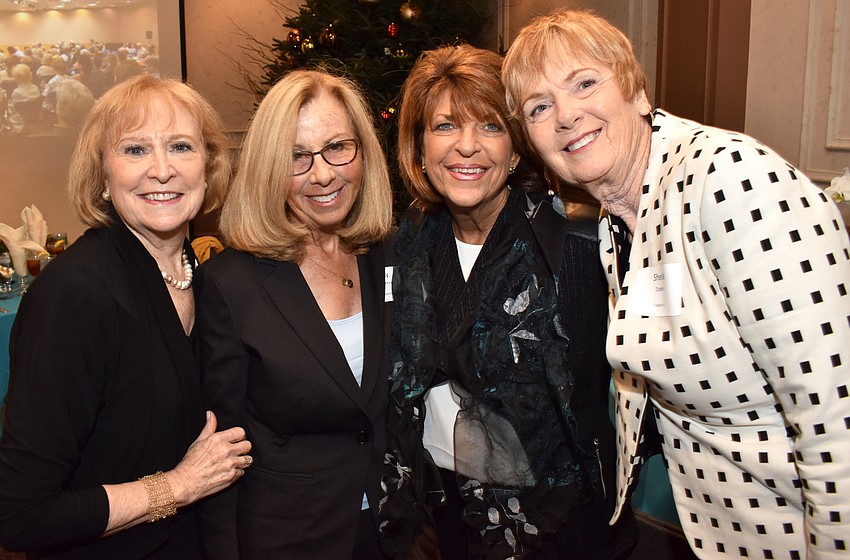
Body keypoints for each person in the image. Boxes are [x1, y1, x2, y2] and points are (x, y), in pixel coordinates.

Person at [503, 9, 850, 559]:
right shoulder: (619, 216)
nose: (566, 116)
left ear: (638, 92)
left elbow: (836, 421)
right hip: (715, 530)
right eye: (539, 107)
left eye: (585, 83)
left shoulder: (733, 181)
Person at [380, 44, 637, 560]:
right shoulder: (402, 247)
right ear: (419, 147)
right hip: (437, 517)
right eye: (446, 126)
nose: (467, 147)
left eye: (491, 126)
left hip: (561, 522)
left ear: (517, 149)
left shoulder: (580, 246)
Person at [0, 74, 252, 559]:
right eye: (135, 150)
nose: (161, 170)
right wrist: (178, 487)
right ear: (101, 173)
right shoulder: (74, 296)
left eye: (181, 146)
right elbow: (21, 515)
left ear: (209, 167)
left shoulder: (198, 273)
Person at [195, 68, 394, 559]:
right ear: (267, 166)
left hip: (395, 527)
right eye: (297, 157)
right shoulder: (230, 284)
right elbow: (220, 449)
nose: (323, 174)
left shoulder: (387, 255)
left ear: (362, 152)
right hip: (290, 538)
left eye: (337, 147)